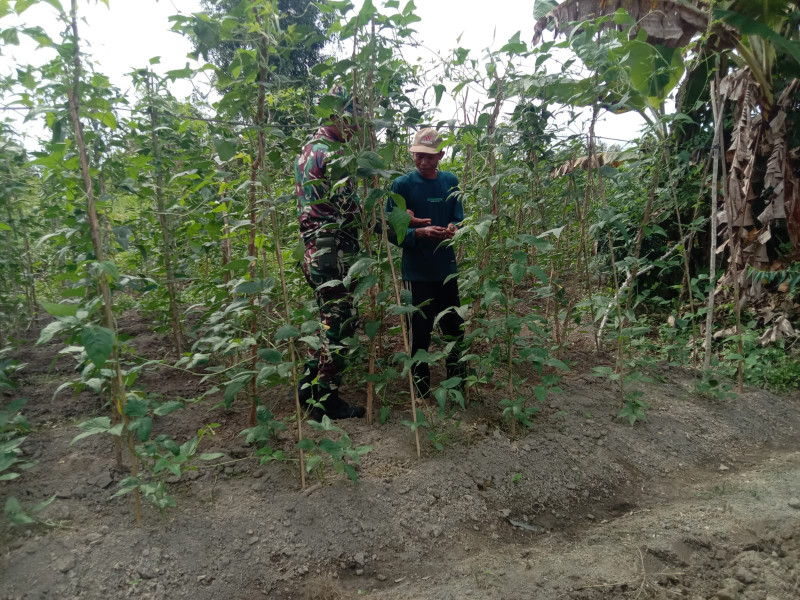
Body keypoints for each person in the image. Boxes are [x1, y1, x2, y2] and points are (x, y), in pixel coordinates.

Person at [294, 88, 365, 420]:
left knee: (326, 319)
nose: (358, 128)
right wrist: (400, 228)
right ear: (340, 116)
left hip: (312, 249)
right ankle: (325, 396)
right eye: (355, 120)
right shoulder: (335, 155)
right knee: (340, 323)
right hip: (332, 250)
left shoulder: (308, 149)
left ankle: (308, 384)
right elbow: (351, 210)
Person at [387, 127, 466, 400]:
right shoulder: (401, 186)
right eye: (419, 156)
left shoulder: (450, 181)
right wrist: (417, 233)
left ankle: (458, 388)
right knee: (419, 333)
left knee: (454, 329)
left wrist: (454, 228)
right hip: (416, 274)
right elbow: (391, 231)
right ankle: (420, 393)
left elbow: (460, 217)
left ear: (441, 155)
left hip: (446, 271)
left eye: (429, 157)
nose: (423, 162)